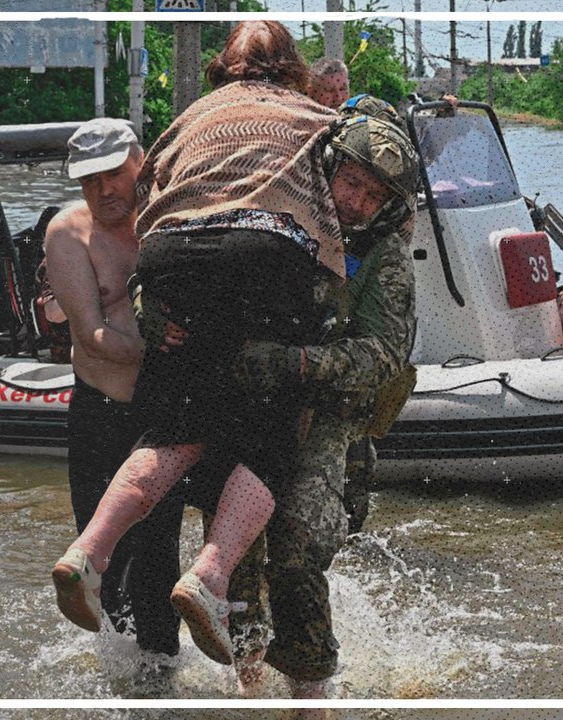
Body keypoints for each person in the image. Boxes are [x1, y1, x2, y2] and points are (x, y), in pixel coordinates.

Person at [52, 20, 345, 668]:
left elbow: (153, 186)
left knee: (171, 429)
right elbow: (346, 192)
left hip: (172, 256)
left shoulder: (191, 118)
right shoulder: (309, 115)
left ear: (223, 70)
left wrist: (156, 303)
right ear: (291, 69)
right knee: (271, 432)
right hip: (263, 250)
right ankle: (210, 576)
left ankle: (88, 553)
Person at [144, 108, 420, 708]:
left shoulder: (385, 260)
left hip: (328, 416)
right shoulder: (275, 217)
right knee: (237, 553)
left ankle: (310, 693)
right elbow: (190, 259)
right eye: (351, 182)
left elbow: (381, 356)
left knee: (295, 555)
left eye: (375, 195)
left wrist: (295, 362)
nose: (357, 202)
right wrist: (155, 310)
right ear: (327, 169)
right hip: (254, 404)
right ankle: (247, 685)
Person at [43, 117, 193, 656]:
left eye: (113, 174)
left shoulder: (174, 220)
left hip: (163, 414)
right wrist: (167, 347)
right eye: (89, 181)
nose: (104, 190)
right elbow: (95, 335)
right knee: (104, 558)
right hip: (102, 413)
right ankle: (119, 674)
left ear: (141, 163)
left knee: (160, 555)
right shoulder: (69, 233)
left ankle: (163, 678)